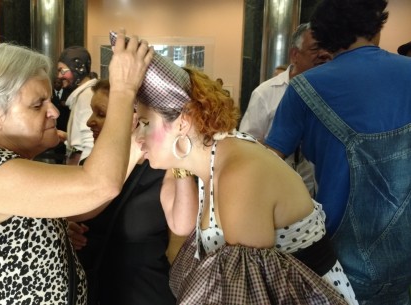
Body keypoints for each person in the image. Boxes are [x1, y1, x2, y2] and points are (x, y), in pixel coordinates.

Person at [111, 33, 356, 304]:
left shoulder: (239, 173)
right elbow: (181, 226)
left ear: (183, 122)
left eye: (146, 123)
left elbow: (252, 295)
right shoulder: (211, 161)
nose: (138, 136)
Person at [0, 32, 153, 304]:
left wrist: (55, 231)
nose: (53, 111)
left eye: (49, 100)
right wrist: (123, 90)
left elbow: (84, 202)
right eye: (38, 104)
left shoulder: (2, 161)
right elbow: (99, 185)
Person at [265, 0, 411, 303]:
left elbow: (267, 168)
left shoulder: (304, 88)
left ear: (323, 35)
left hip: (335, 257)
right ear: (376, 25)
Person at [68, 79, 188, 305]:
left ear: (135, 119)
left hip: (147, 294)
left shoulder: (166, 173)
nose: (89, 121)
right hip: (93, 292)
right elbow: (73, 212)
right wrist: (66, 230)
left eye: (101, 114)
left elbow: (181, 249)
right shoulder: (89, 165)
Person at [240, 23, 332, 196]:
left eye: (328, 49)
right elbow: (246, 144)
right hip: (277, 194)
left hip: (320, 195)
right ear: (294, 55)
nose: (324, 55)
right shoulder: (266, 93)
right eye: (316, 49)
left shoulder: (333, 94)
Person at [57, 46, 98, 165]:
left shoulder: (87, 96)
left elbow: (90, 143)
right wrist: (68, 137)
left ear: (77, 69)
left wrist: (83, 175)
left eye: (62, 70)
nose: (59, 76)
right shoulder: (83, 94)